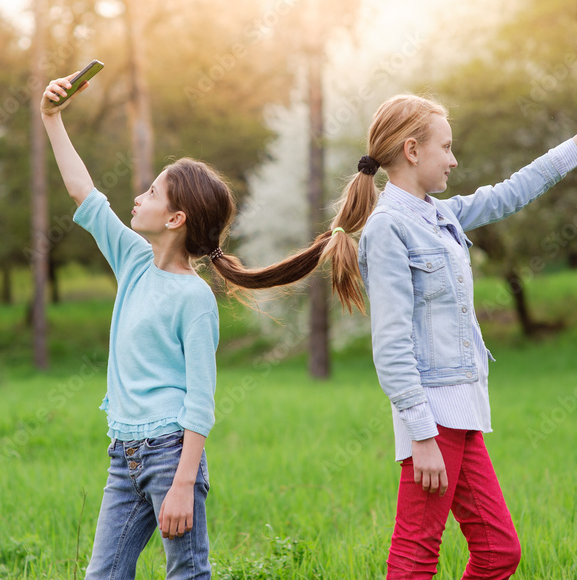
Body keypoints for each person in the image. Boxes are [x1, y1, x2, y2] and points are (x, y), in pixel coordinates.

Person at [40, 71, 364, 580]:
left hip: (172, 455)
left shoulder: (193, 298)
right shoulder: (131, 258)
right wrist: (52, 118)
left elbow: (200, 399)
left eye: (151, 192)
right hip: (123, 453)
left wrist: (184, 483)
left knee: (188, 574)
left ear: (175, 219)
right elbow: (83, 191)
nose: (138, 199)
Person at [321, 89, 577, 579]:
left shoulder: (441, 215)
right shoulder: (388, 229)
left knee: (498, 552)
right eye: (446, 147)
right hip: (433, 418)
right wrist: (421, 435)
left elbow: (515, 189)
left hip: (462, 412)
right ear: (413, 151)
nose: (454, 159)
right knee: (415, 559)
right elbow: (391, 347)